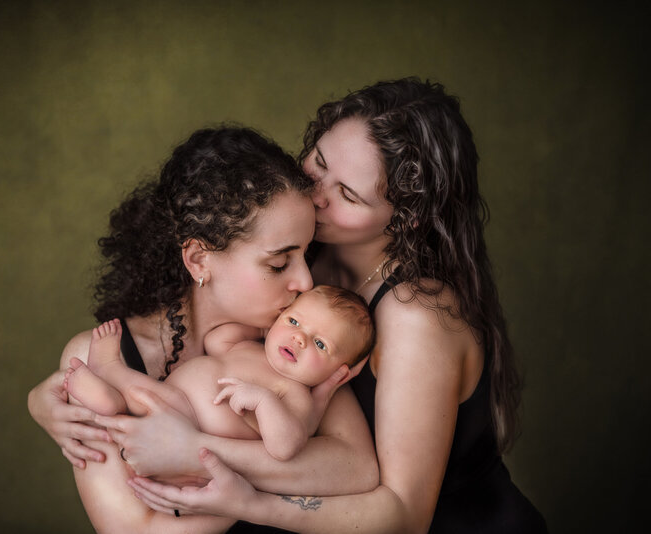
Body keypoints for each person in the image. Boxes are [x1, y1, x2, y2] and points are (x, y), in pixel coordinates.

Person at [117, 79, 549, 533]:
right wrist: (58, 393)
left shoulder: (415, 315)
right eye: (319, 163)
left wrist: (215, 468)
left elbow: (405, 518)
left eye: (348, 195)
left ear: (407, 216)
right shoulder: (301, 260)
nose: (316, 193)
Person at [27, 126, 379, 533]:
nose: (304, 281)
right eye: (279, 264)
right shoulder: (101, 352)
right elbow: (133, 529)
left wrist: (197, 454)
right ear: (198, 260)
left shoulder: (291, 339)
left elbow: (356, 468)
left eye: (305, 254)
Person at [64, 285, 375, 463]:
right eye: (294, 321)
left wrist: (264, 402)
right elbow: (215, 340)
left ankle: (110, 369)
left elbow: (286, 446)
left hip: (185, 429)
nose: (299, 338)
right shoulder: (249, 347)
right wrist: (263, 327)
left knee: (156, 398)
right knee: (142, 401)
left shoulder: (292, 392)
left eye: (320, 343)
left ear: (338, 371)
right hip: (167, 415)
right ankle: (109, 400)